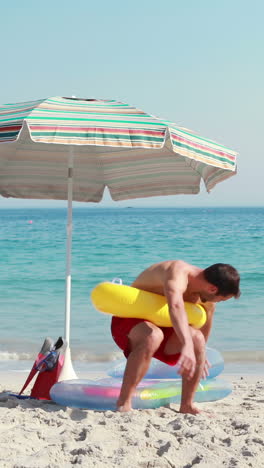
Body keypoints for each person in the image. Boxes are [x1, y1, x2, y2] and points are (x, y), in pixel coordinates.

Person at [111, 260, 240, 414]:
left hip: (167, 327)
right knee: (153, 336)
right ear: (212, 288)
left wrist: (199, 352)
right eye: (221, 299)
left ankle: (187, 405)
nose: (218, 302)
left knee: (197, 339)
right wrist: (186, 345)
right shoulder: (176, 273)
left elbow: (206, 322)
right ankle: (124, 402)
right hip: (129, 322)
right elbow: (175, 306)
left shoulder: (206, 297)